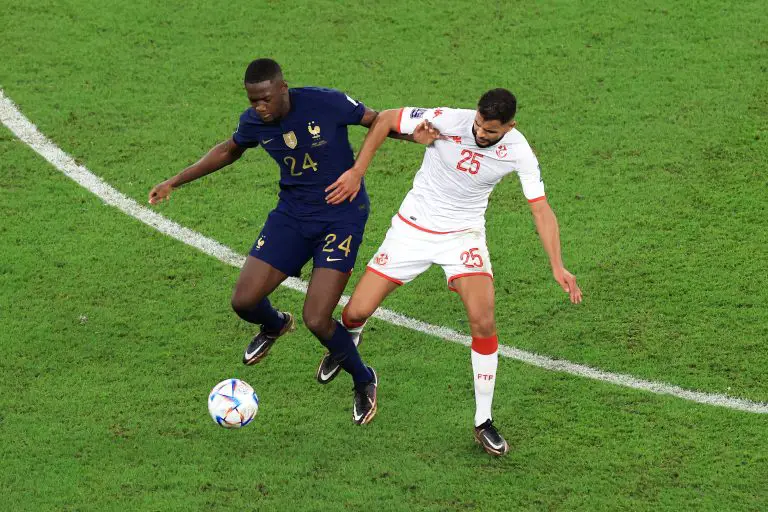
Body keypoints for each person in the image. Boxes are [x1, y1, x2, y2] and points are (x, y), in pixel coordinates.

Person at [148, 58, 438, 425]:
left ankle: (364, 379)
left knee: (317, 318)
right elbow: (228, 150)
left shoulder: (326, 102)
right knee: (244, 300)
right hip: (292, 217)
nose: (260, 108)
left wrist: (415, 136)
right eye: (253, 100)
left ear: (283, 88)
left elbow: (377, 120)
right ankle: (274, 325)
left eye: (265, 99)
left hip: (341, 217)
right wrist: (174, 181)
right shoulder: (254, 122)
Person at [317, 88, 583, 455]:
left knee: (484, 321)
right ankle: (351, 340)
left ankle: (483, 420)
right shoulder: (448, 119)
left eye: (490, 131)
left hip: (462, 237)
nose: (480, 134)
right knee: (354, 312)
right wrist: (364, 168)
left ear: (509, 127)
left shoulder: (518, 150)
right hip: (411, 230)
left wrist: (557, 264)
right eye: (478, 125)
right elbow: (384, 119)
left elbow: (541, 208)